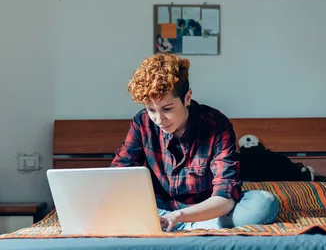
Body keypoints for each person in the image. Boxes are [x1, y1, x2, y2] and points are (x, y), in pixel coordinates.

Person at [110, 53, 278, 231]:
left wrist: (179, 216)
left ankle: (180, 224)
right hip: (159, 209)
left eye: (167, 109)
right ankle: (187, 226)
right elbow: (119, 175)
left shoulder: (217, 125)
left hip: (207, 209)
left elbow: (225, 195)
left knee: (263, 204)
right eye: (151, 110)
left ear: (187, 98)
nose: (159, 119)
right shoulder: (142, 122)